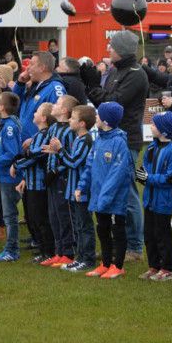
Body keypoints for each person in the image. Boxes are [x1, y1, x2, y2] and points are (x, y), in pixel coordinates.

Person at [81, 30, 148, 261]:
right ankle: (116, 243)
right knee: (107, 187)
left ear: (122, 50)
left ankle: (135, 247)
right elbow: (104, 99)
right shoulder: (114, 71)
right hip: (108, 136)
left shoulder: (136, 74)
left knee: (127, 192)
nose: (108, 49)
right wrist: (92, 87)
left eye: (112, 46)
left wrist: (92, 86)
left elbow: (113, 103)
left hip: (126, 138)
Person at [76, 102, 132, 279]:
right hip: (99, 197)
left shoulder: (119, 143)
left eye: (99, 115)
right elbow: (89, 165)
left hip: (113, 199)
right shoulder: (99, 139)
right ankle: (105, 263)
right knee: (102, 229)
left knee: (117, 231)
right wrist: (82, 186)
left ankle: (118, 265)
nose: (96, 118)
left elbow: (116, 175)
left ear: (106, 120)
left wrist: (105, 198)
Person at [136, 112, 172, 281]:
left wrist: (149, 178)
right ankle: (154, 266)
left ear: (163, 130)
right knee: (149, 234)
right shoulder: (151, 147)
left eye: (154, 125)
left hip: (163, 200)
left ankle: (167, 268)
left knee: (163, 235)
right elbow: (145, 168)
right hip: (149, 199)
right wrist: (141, 175)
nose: (151, 127)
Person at [15, 102, 56, 264]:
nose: (34, 113)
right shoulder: (38, 135)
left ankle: (48, 252)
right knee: (32, 217)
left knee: (41, 219)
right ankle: (42, 249)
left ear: (44, 118)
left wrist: (16, 164)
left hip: (39, 184)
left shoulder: (44, 135)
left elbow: (36, 156)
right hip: (31, 183)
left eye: (37, 111)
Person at [43, 95, 79, 267]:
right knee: (53, 215)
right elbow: (49, 149)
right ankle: (59, 250)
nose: (54, 105)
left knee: (64, 215)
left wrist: (57, 171)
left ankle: (69, 251)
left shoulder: (70, 131)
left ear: (64, 110)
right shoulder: (53, 127)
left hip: (62, 178)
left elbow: (71, 156)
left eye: (57, 103)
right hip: (51, 177)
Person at [61, 105, 97, 273]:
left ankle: (88, 259)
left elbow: (74, 162)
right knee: (78, 225)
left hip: (82, 191)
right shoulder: (77, 138)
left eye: (73, 118)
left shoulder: (86, 140)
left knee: (85, 225)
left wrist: (59, 151)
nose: (69, 120)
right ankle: (80, 257)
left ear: (82, 123)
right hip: (73, 190)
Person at [0, 92, 22, 262]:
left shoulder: (9, 127)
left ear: (2, 106)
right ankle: (10, 248)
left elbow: (12, 154)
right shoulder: (6, 124)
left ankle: (12, 250)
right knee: (8, 214)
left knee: (9, 215)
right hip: (4, 176)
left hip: (9, 177)